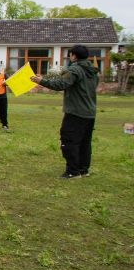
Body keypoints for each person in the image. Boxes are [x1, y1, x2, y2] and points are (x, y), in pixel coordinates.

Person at [31, 44, 99, 178]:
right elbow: (70, 81)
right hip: (90, 112)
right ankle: (83, 169)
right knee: (84, 142)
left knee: (69, 140)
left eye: (70, 54)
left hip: (76, 112)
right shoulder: (92, 71)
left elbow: (61, 84)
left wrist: (41, 81)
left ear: (74, 55)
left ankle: (73, 171)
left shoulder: (75, 69)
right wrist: (46, 77)